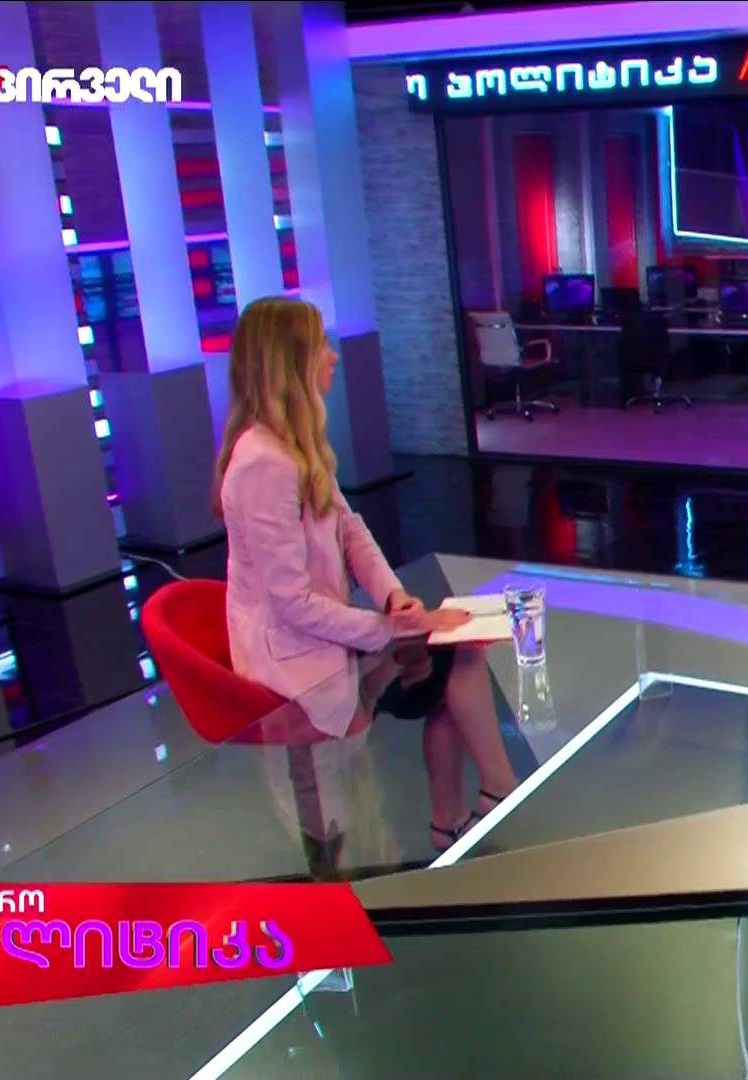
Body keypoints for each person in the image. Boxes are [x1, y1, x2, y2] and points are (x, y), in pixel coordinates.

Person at [213, 296, 521, 867]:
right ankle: (485, 799)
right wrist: (391, 628)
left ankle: (462, 812)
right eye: (321, 348)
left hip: (330, 639)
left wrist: (394, 597)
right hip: (297, 668)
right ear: (290, 364)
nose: (333, 356)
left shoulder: (297, 445)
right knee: (449, 658)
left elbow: (351, 530)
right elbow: (293, 604)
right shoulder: (262, 464)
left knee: (458, 652)